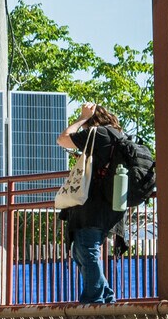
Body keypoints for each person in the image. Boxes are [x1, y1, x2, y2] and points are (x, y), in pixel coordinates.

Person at [55, 103, 132, 305]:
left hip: (93, 207)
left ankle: (94, 301)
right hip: (109, 206)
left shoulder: (98, 134)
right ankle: (106, 297)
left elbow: (62, 139)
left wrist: (81, 118)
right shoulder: (117, 136)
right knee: (82, 252)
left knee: (87, 251)